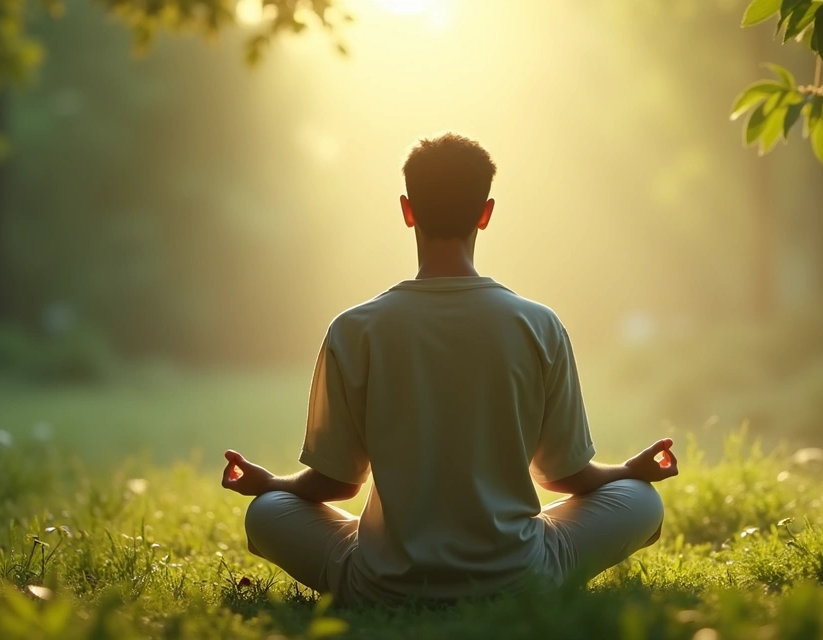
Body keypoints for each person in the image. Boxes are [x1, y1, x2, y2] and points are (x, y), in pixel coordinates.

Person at [220, 132, 679, 606]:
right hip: (520, 576)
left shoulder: (354, 329)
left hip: (382, 584)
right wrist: (628, 471)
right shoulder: (538, 324)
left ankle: (391, 552)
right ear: (486, 212)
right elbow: (564, 476)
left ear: (407, 210)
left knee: (268, 511)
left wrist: (269, 484)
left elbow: (335, 483)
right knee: (641, 501)